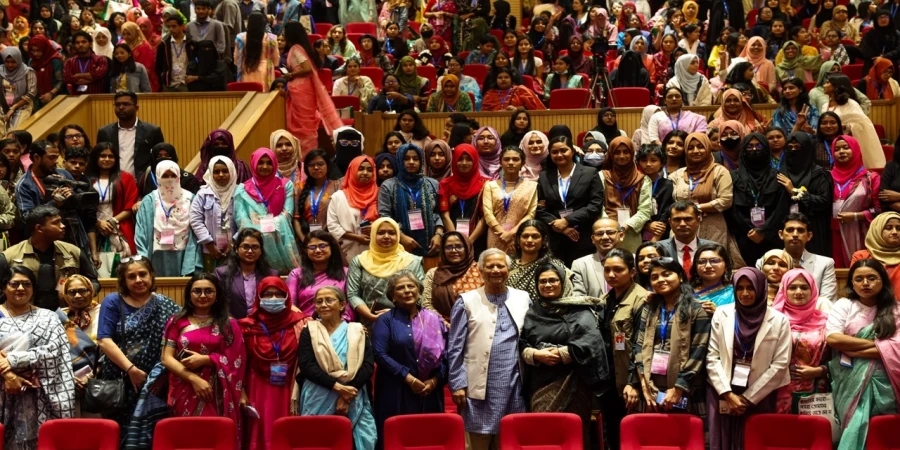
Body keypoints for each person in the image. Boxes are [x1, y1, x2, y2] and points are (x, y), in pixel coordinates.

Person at [447, 248, 529, 449]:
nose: (495, 270)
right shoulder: (466, 300)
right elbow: (455, 347)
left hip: (514, 384)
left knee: (510, 439)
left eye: (500, 265)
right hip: (478, 386)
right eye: (489, 266)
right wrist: (457, 383)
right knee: (478, 442)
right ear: (481, 270)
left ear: (508, 270)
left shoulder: (523, 298)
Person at [96, 257, 180, 445]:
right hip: (120, 381)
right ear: (124, 281)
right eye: (131, 276)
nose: (138, 280)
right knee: (120, 435)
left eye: (142, 274)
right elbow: (104, 340)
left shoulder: (165, 304)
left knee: (154, 433)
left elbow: (183, 332)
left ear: (152, 275)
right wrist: (131, 370)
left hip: (156, 383)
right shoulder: (113, 302)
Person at [706, 267, 791, 450]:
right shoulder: (722, 313)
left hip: (760, 395)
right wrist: (727, 394)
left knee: (756, 442)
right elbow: (712, 356)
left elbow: (780, 364)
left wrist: (747, 398)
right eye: (740, 288)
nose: (745, 293)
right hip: (722, 391)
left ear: (761, 288)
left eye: (751, 288)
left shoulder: (779, 320)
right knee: (722, 443)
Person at [521, 260, 607, 440]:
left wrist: (562, 354)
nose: (547, 285)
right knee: (544, 435)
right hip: (541, 383)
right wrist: (535, 354)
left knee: (572, 436)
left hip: (574, 383)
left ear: (563, 281)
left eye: (553, 280)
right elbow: (522, 343)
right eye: (542, 281)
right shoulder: (532, 312)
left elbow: (592, 343)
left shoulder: (581, 310)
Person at [161, 273, 245, 448]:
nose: (203, 296)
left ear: (217, 295)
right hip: (184, 387)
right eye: (197, 291)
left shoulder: (229, 324)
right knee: (187, 438)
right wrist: (194, 379)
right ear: (189, 294)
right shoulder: (176, 321)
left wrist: (207, 359)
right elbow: (167, 358)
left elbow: (237, 360)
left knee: (215, 437)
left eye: (209, 291)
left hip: (218, 391)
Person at [827, 259, 900, 450]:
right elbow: (834, 339)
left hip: (886, 381)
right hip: (849, 377)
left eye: (871, 278)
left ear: (882, 281)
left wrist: (851, 348)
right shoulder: (844, 305)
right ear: (852, 283)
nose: (865, 283)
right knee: (853, 427)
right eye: (859, 279)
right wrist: (881, 346)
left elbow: (898, 348)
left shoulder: (895, 309)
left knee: (882, 432)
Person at [0, 266, 75, 449]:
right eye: (14, 284)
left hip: (41, 396)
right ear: (3, 288)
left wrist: (13, 360)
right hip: (4, 394)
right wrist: (9, 375)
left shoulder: (47, 317)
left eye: (26, 284)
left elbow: (55, 351)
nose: (20, 288)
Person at [373, 271, 447, 446]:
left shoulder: (434, 319)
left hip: (429, 391)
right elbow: (379, 354)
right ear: (392, 296)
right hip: (396, 389)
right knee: (397, 439)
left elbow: (448, 355)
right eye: (400, 288)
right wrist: (409, 378)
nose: (407, 290)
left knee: (429, 439)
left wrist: (435, 381)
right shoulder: (385, 320)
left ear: (419, 290)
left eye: (411, 286)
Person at [296, 286, 375, 450]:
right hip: (318, 394)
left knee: (357, 441)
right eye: (319, 301)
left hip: (354, 394)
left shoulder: (358, 330)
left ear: (342, 305)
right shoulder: (309, 331)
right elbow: (307, 365)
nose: (323, 305)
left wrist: (346, 394)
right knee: (318, 442)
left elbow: (367, 366)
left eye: (329, 300)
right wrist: (337, 387)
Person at [632, 256, 710, 415]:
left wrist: (679, 388)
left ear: (680, 277)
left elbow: (698, 353)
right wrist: (645, 387)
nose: (661, 280)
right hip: (650, 387)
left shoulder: (696, 309)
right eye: (654, 277)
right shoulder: (649, 308)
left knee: (682, 436)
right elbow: (639, 347)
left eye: (666, 274)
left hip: (686, 388)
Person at [240, 276, 311, 450]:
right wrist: (241, 391)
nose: (273, 299)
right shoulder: (247, 326)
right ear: (258, 297)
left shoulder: (302, 322)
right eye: (267, 294)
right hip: (257, 386)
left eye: (278, 294)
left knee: (287, 430)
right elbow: (239, 362)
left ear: (287, 296)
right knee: (261, 429)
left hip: (291, 385)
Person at [0, 205, 99, 310]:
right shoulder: (9, 256)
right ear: (39, 228)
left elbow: (93, 281)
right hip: (23, 317)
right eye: (55, 223)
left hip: (66, 316)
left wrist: (83, 294)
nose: (62, 226)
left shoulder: (73, 252)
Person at [669, 134, 743, 267]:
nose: (695, 151)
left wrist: (696, 208)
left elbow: (725, 200)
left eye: (700, 147)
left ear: (708, 148)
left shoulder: (719, 171)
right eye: (690, 148)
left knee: (711, 263)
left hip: (712, 226)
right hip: (682, 226)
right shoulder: (677, 175)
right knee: (680, 264)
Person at [535, 136, 604, 267]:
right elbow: (540, 209)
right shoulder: (544, 176)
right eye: (554, 152)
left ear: (572, 151)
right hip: (555, 237)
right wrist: (562, 228)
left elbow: (595, 205)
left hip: (582, 235)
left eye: (563, 150)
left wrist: (567, 221)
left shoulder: (590, 173)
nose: (559, 154)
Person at [726, 133, 792, 265]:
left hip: (771, 237)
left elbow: (781, 208)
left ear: (766, 149)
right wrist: (750, 230)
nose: (754, 149)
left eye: (758, 145)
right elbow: (730, 208)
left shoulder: (778, 176)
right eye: (749, 146)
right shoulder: (733, 177)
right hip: (743, 236)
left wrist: (763, 231)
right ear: (743, 151)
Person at [771, 268, 830, 414]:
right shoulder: (771, 319)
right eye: (792, 287)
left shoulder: (827, 320)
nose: (798, 292)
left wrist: (821, 370)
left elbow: (840, 357)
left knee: (813, 434)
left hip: (816, 392)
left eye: (804, 287)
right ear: (784, 289)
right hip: (775, 391)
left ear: (813, 290)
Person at [233, 148, 301, 274]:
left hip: (281, 241)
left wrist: (265, 229)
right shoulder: (242, 190)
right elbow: (242, 219)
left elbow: (287, 214)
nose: (265, 166)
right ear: (254, 164)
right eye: (261, 162)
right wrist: (261, 233)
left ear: (275, 164)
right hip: (253, 244)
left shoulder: (286, 185)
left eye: (269, 163)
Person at [347, 218, 424, 325]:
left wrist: (397, 313)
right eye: (381, 232)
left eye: (392, 233)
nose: (386, 236)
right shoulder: (359, 261)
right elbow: (352, 295)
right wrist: (370, 316)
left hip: (406, 322)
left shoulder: (412, 261)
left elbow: (421, 293)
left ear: (398, 235)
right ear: (373, 235)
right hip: (370, 323)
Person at [283, 21, 342, 154]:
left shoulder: (296, 48)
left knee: (304, 125)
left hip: (301, 90)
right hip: (303, 89)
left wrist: (291, 74)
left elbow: (307, 68)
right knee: (305, 124)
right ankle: (307, 154)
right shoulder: (302, 48)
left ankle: (306, 155)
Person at [377, 143, 443, 258]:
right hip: (400, 247)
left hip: (431, 246)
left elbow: (438, 212)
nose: (411, 162)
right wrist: (401, 237)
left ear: (421, 161)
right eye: (406, 159)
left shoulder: (432, 184)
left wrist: (438, 234)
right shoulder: (389, 186)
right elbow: (385, 217)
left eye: (416, 158)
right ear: (399, 161)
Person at [85, 142, 139, 275]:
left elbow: (130, 205)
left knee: (124, 268)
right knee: (97, 268)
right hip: (93, 228)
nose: (107, 159)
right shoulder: (86, 179)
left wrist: (111, 222)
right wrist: (98, 223)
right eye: (103, 156)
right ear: (95, 158)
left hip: (119, 227)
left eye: (111, 156)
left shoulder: (126, 178)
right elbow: (83, 208)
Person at [831, 135, 880, 268]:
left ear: (856, 150)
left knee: (860, 268)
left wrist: (855, 216)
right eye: (837, 149)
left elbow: (879, 210)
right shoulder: (826, 177)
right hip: (833, 232)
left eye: (846, 148)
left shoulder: (870, 178)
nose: (841, 152)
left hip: (860, 231)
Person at [821, 73, 884, 169]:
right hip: (828, 146)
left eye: (827, 83)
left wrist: (846, 127)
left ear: (836, 85)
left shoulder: (851, 104)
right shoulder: (824, 106)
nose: (824, 85)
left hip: (846, 147)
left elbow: (863, 125)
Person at [599, 137, 651, 252]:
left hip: (631, 234)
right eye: (617, 152)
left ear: (632, 153)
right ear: (611, 154)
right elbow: (598, 206)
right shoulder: (602, 177)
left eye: (626, 152)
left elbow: (645, 210)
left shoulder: (643, 179)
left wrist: (624, 227)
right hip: (605, 233)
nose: (622, 156)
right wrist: (610, 227)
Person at [96, 91, 165, 177]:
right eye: (117, 105)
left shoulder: (152, 131)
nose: (121, 107)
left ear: (136, 107)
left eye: (126, 104)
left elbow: (160, 158)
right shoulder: (105, 132)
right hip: (113, 182)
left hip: (142, 183)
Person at [482, 146, 537, 254]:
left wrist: (511, 233)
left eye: (515, 159)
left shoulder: (531, 186)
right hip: (496, 235)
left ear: (523, 163)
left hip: (520, 235)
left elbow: (531, 213)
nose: (511, 162)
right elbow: (487, 213)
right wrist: (502, 233)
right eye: (506, 159)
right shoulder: (490, 185)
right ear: (501, 162)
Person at [422, 231, 484, 325]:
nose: (454, 251)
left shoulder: (481, 270)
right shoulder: (433, 273)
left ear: (467, 248)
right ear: (442, 250)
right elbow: (427, 304)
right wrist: (446, 324)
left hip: (477, 326)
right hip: (442, 328)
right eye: (448, 247)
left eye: (459, 246)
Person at [215, 228, 278, 319]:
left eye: (255, 247)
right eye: (245, 247)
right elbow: (219, 305)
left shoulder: (271, 275)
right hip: (233, 326)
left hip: (264, 327)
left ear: (261, 251)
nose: (250, 251)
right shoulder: (222, 273)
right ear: (236, 249)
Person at [327, 155, 379, 262]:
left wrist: (376, 226)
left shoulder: (380, 194)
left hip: (376, 249)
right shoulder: (338, 197)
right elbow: (332, 225)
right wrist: (355, 237)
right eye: (360, 169)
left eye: (369, 170)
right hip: (347, 250)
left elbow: (388, 218)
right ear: (352, 170)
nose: (365, 173)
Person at [287, 230, 350, 319]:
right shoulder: (296, 274)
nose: (317, 250)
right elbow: (290, 304)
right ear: (306, 251)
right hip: (306, 325)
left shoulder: (346, 273)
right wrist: (305, 321)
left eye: (322, 246)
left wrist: (340, 324)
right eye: (312, 247)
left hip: (339, 325)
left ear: (331, 248)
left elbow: (350, 304)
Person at [438, 143, 488, 252]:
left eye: (468, 159)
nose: (464, 163)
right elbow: (445, 216)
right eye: (460, 159)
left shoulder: (486, 184)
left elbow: (485, 218)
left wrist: (470, 241)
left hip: (478, 239)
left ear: (475, 160)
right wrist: (457, 241)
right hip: (452, 241)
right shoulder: (445, 184)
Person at [190, 155, 236, 270]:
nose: (221, 175)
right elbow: (195, 220)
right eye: (216, 172)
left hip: (236, 248)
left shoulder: (240, 192)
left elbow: (245, 219)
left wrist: (235, 242)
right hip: (209, 249)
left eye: (225, 171)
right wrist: (209, 244)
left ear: (232, 171)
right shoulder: (202, 194)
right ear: (210, 173)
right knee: (211, 281)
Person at [293, 149, 340, 242]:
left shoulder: (337, 186)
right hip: (306, 240)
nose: (316, 168)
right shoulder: (299, 187)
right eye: (311, 165)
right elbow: (296, 220)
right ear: (306, 168)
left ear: (328, 165)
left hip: (331, 240)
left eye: (320, 164)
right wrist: (305, 241)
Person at [571, 218, 622, 297]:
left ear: (621, 235)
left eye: (610, 232)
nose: (605, 237)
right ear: (593, 239)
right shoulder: (580, 265)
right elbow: (579, 299)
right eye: (599, 234)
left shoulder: (634, 260)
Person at [235, 12, 279, 92]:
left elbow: (237, 58)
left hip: (246, 68)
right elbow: (275, 59)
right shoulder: (271, 38)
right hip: (265, 70)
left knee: (248, 95)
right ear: (263, 23)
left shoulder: (240, 38)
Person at [690, 243, 735, 313]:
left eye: (715, 261)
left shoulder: (733, 293)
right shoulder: (686, 292)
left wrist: (717, 312)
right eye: (702, 262)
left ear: (726, 266)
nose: (708, 266)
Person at [480, 67, 546, 111]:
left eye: (506, 77)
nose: (503, 80)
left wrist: (516, 109)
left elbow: (532, 108)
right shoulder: (490, 94)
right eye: (500, 78)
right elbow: (484, 113)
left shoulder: (521, 90)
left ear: (511, 79)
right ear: (496, 80)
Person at [0, 47, 35, 129]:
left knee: (14, 131)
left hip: (22, 106)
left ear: (19, 60)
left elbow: (31, 94)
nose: (10, 65)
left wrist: (13, 108)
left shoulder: (28, 72)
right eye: (7, 62)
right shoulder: (1, 71)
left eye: (13, 62)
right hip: (4, 105)